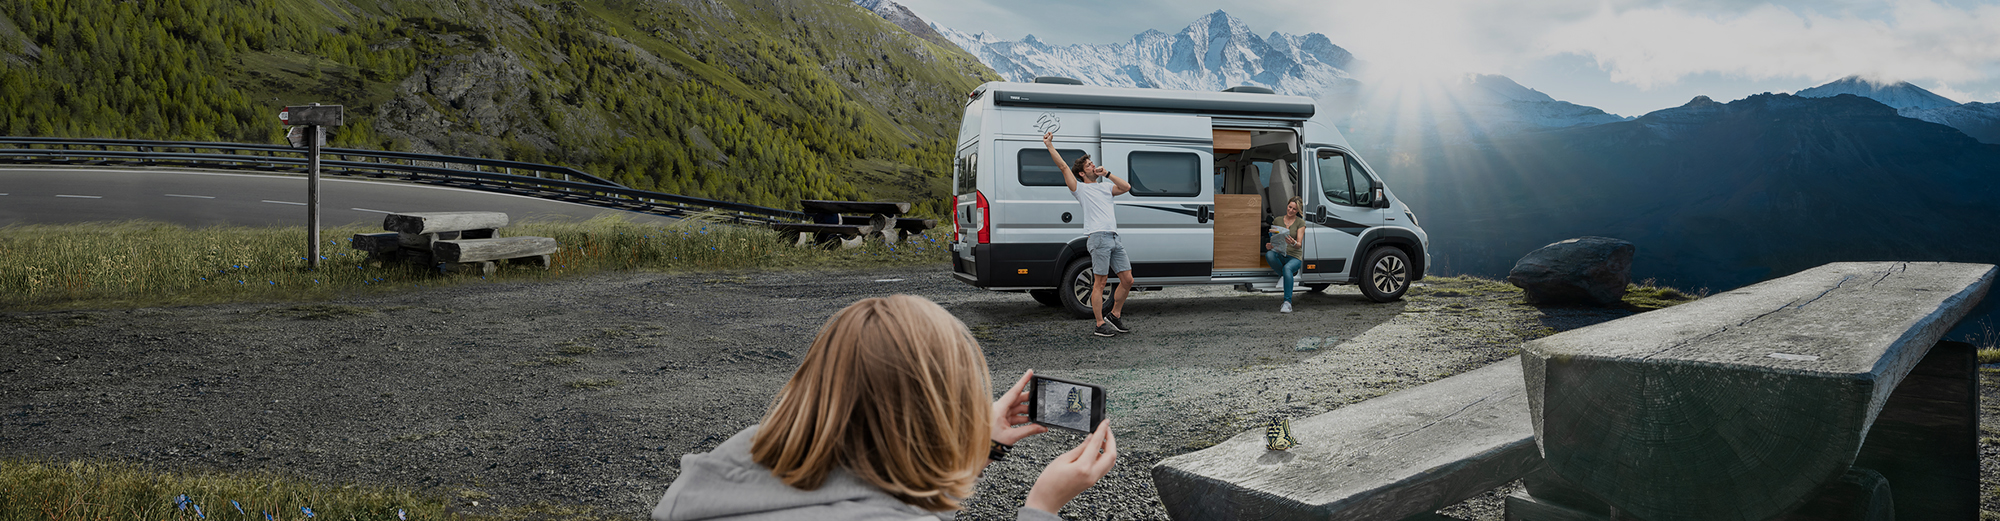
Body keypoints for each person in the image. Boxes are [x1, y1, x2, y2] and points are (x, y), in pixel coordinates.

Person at [650, 295, 1118, 520]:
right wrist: (1042, 506)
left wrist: (982, 445)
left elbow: (880, 468)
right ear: (934, 415)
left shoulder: (721, 469)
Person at [1043, 131, 1134, 337]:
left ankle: (1114, 315)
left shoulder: (1106, 187)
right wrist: (1049, 146)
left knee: (1128, 280)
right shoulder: (1080, 189)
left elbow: (1127, 187)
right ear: (1082, 173)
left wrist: (1107, 173)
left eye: (1093, 163)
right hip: (1098, 238)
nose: (1093, 166)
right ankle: (1099, 324)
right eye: (1089, 165)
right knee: (1100, 283)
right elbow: (1064, 167)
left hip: (1113, 237)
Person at [1263, 197, 1306, 313]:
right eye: (1290, 207)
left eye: (1294, 209)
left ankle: (1287, 303)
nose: (1291, 210)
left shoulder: (1300, 223)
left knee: (1288, 268)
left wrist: (1293, 242)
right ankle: (1285, 276)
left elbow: (1299, 245)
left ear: (1298, 211)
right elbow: (1273, 239)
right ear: (1287, 205)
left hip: (1294, 257)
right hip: (1280, 253)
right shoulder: (1277, 220)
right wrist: (1270, 245)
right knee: (1269, 255)